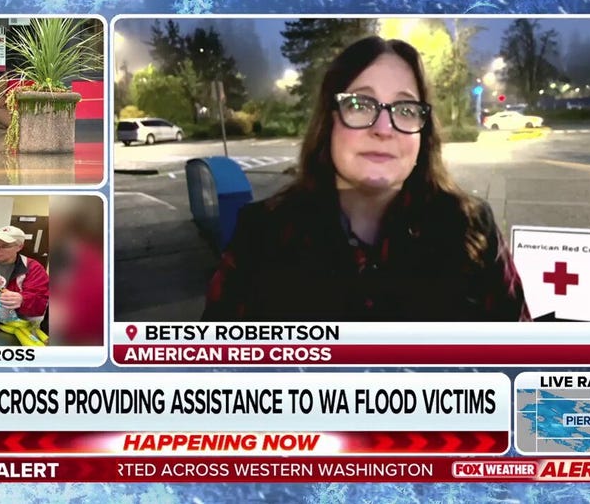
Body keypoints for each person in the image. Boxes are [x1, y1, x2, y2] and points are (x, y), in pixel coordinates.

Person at [203, 36, 530, 322]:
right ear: (329, 121)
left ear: (423, 133)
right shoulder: (262, 236)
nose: (383, 129)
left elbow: (522, 361)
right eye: (360, 104)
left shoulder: (472, 230)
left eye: (405, 109)